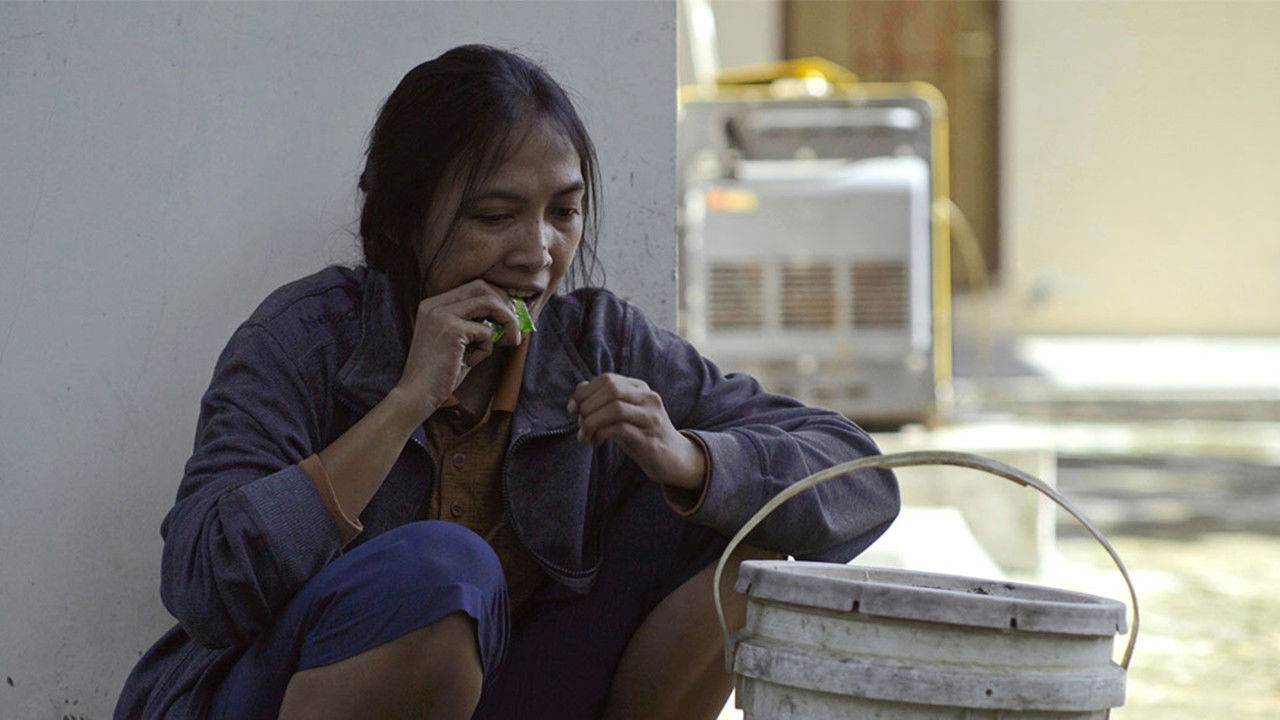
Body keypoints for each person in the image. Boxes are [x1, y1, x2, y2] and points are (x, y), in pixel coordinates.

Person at [113, 44, 899, 720]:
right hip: (270, 692)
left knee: (748, 536)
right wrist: (405, 404)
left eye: (564, 213)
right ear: (400, 222)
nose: (539, 253)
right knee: (446, 572)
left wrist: (690, 460)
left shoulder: (597, 341)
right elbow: (204, 583)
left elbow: (861, 481)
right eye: (495, 216)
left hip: (523, 689)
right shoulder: (310, 337)